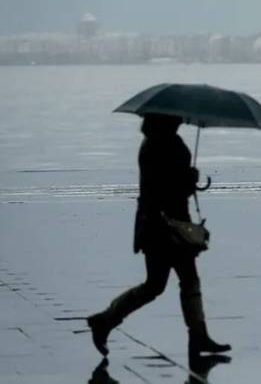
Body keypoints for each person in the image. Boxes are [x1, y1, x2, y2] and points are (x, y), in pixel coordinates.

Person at [87, 113, 230, 357]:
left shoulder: (156, 143)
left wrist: (187, 180)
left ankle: (108, 319)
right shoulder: (163, 145)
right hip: (165, 226)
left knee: (164, 283)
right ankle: (197, 336)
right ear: (166, 120)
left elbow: (165, 185)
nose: (181, 120)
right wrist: (189, 179)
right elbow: (169, 188)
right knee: (174, 282)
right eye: (176, 118)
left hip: (156, 224)